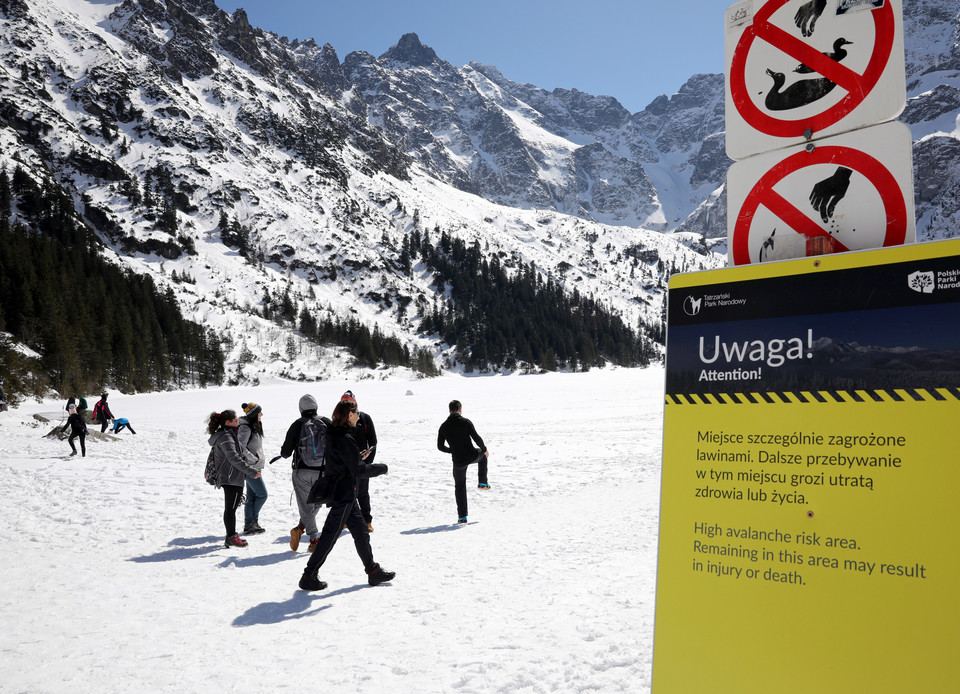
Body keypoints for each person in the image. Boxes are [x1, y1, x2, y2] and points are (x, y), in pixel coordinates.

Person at [298, 399, 394, 591]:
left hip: (346, 492)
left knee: (361, 532)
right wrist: (381, 468)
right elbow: (358, 471)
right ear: (349, 415)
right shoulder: (344, 438)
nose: (359, 416)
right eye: (357, 413)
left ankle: (373, 571)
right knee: (329, 536)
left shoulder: (335, 434)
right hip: (344, 494)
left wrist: (357, 457)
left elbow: (344, 462)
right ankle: (309, 575)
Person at [280, 394, 329, 552]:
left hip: (302, 471)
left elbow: (286, 452)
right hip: (324, 471)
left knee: (306, 507)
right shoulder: (326, 422)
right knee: (318, 502)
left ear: (300, 409)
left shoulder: (297, 425)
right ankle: (301, 530)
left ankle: (312, 538)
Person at [207, 410, 261, 548]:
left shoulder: (229, 434)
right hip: (230, 477)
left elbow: (240, 452)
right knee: (230, 508)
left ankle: (230, 536)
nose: (238, 423)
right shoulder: (226, 437)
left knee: (231, 508)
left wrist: (252, 461)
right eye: (236, 421)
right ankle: (231, 536)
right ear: (228, 422)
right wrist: (250, 471)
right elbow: (233, 458)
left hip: (232, 476)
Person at [437, 399, 490, 524]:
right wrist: (485, 449)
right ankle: (482, 482)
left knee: (459, 487)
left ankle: (462, 517)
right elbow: (477, 438)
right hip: (471, 455)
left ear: (449, 410)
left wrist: (452, 450)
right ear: (460, 409)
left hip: (458, 461)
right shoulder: (466, 422)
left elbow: (440, 447)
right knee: (483, 456)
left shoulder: (443, 426)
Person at [340, 390, 378, 532]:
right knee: (348, 493)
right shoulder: (339, 421)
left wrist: (368, 463)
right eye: (344, 402)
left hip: (362, 464)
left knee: (363, 493)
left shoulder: (364, 419)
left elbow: (373, 442)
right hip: (345, 466)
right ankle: (346, 520)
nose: (347, 404)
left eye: (349, 401)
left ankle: (367, 520)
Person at [238, 402, 267, 535]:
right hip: (249, 467)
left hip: (254, 466)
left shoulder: (253, 426)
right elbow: (240, 447)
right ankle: (252, 522)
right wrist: (253, 458)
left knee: (252, 497)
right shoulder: (246, 428)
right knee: (262, 495)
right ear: (254, 414)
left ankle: (250, 524)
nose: (262, 414)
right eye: (259, 412)